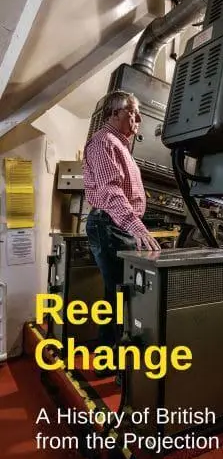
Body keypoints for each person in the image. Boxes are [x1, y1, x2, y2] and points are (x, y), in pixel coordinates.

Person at [83, 90, 160, 363]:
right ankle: (114, 361)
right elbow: (111, 192)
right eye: (132, 112)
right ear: (115, 113)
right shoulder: (104, 142)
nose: (139, 119)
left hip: (115, 224)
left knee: (117, 293)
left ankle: (110, 359)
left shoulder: (119, 145)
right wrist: (135, 225)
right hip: (111, 223)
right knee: (121, 294)